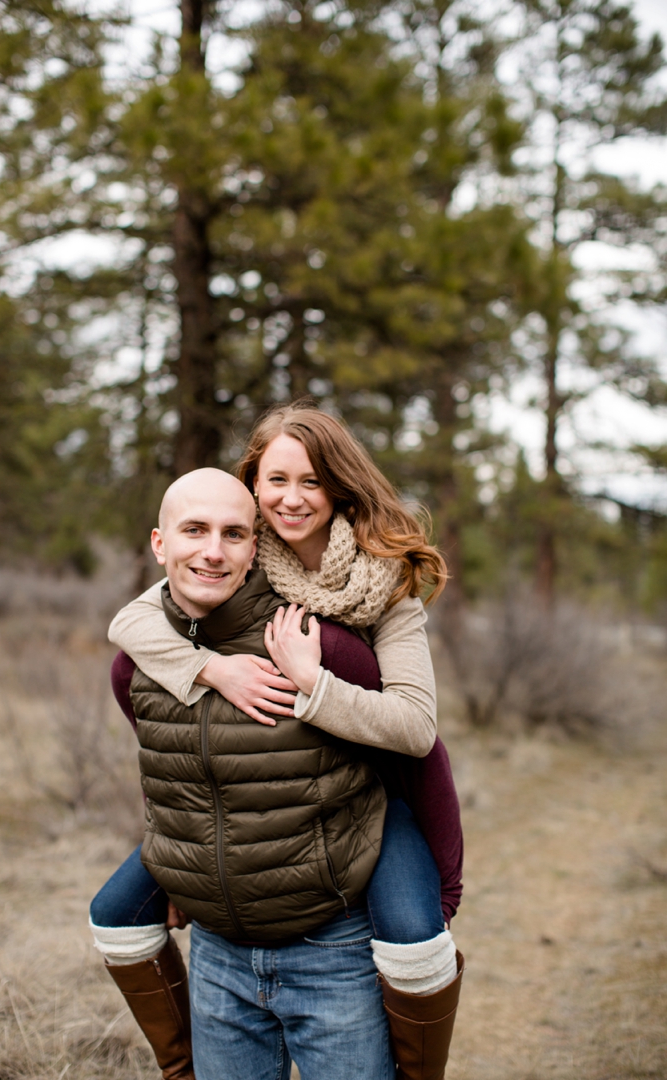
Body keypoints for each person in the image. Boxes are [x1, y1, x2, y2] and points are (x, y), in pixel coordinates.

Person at [97, 405, 464, 1080]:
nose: (293, 498)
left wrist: (311, 682)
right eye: (277, 480)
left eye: (313, 481)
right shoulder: (238, 559)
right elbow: (132, 628)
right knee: (114, 913)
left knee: (416, 937)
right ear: (253, 487)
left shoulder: (385, 589)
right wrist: (207, 669)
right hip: (258, 811)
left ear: (340, 489)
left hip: (369, 787)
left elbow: (418, 736)